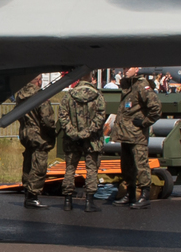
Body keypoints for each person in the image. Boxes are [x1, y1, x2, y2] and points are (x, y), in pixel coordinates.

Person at [110, 68, 163, 209]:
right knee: (127, 166)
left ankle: (145, 195)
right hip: (125, 133)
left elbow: (156, 108)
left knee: (141, 165)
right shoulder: (127, 84)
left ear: (137, 69)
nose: (125, 70)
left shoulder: (141, 85)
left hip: (137, 134)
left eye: (128, 68)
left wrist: (145, 122)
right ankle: (130, 194)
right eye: (124, 68)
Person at [53, 78, 108, 212]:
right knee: (91, 169)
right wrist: (87, 132)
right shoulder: (98, 96)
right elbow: (100, 117)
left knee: (70, 168)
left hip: (72, 140)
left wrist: (74, 133)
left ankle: (67, 200)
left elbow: (62, 117)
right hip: (92, 140)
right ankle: (89, 202)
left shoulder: (68, 97)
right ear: (92, 80)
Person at [13, 75, 60, 209]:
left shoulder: (20, 95)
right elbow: (47, 119)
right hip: (39, 134)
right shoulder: (40, 96)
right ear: (39, 81)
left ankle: (27, 190)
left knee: (28, 161)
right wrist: (52, 131)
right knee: (39, 163)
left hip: (25, 132)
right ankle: (33, 196)